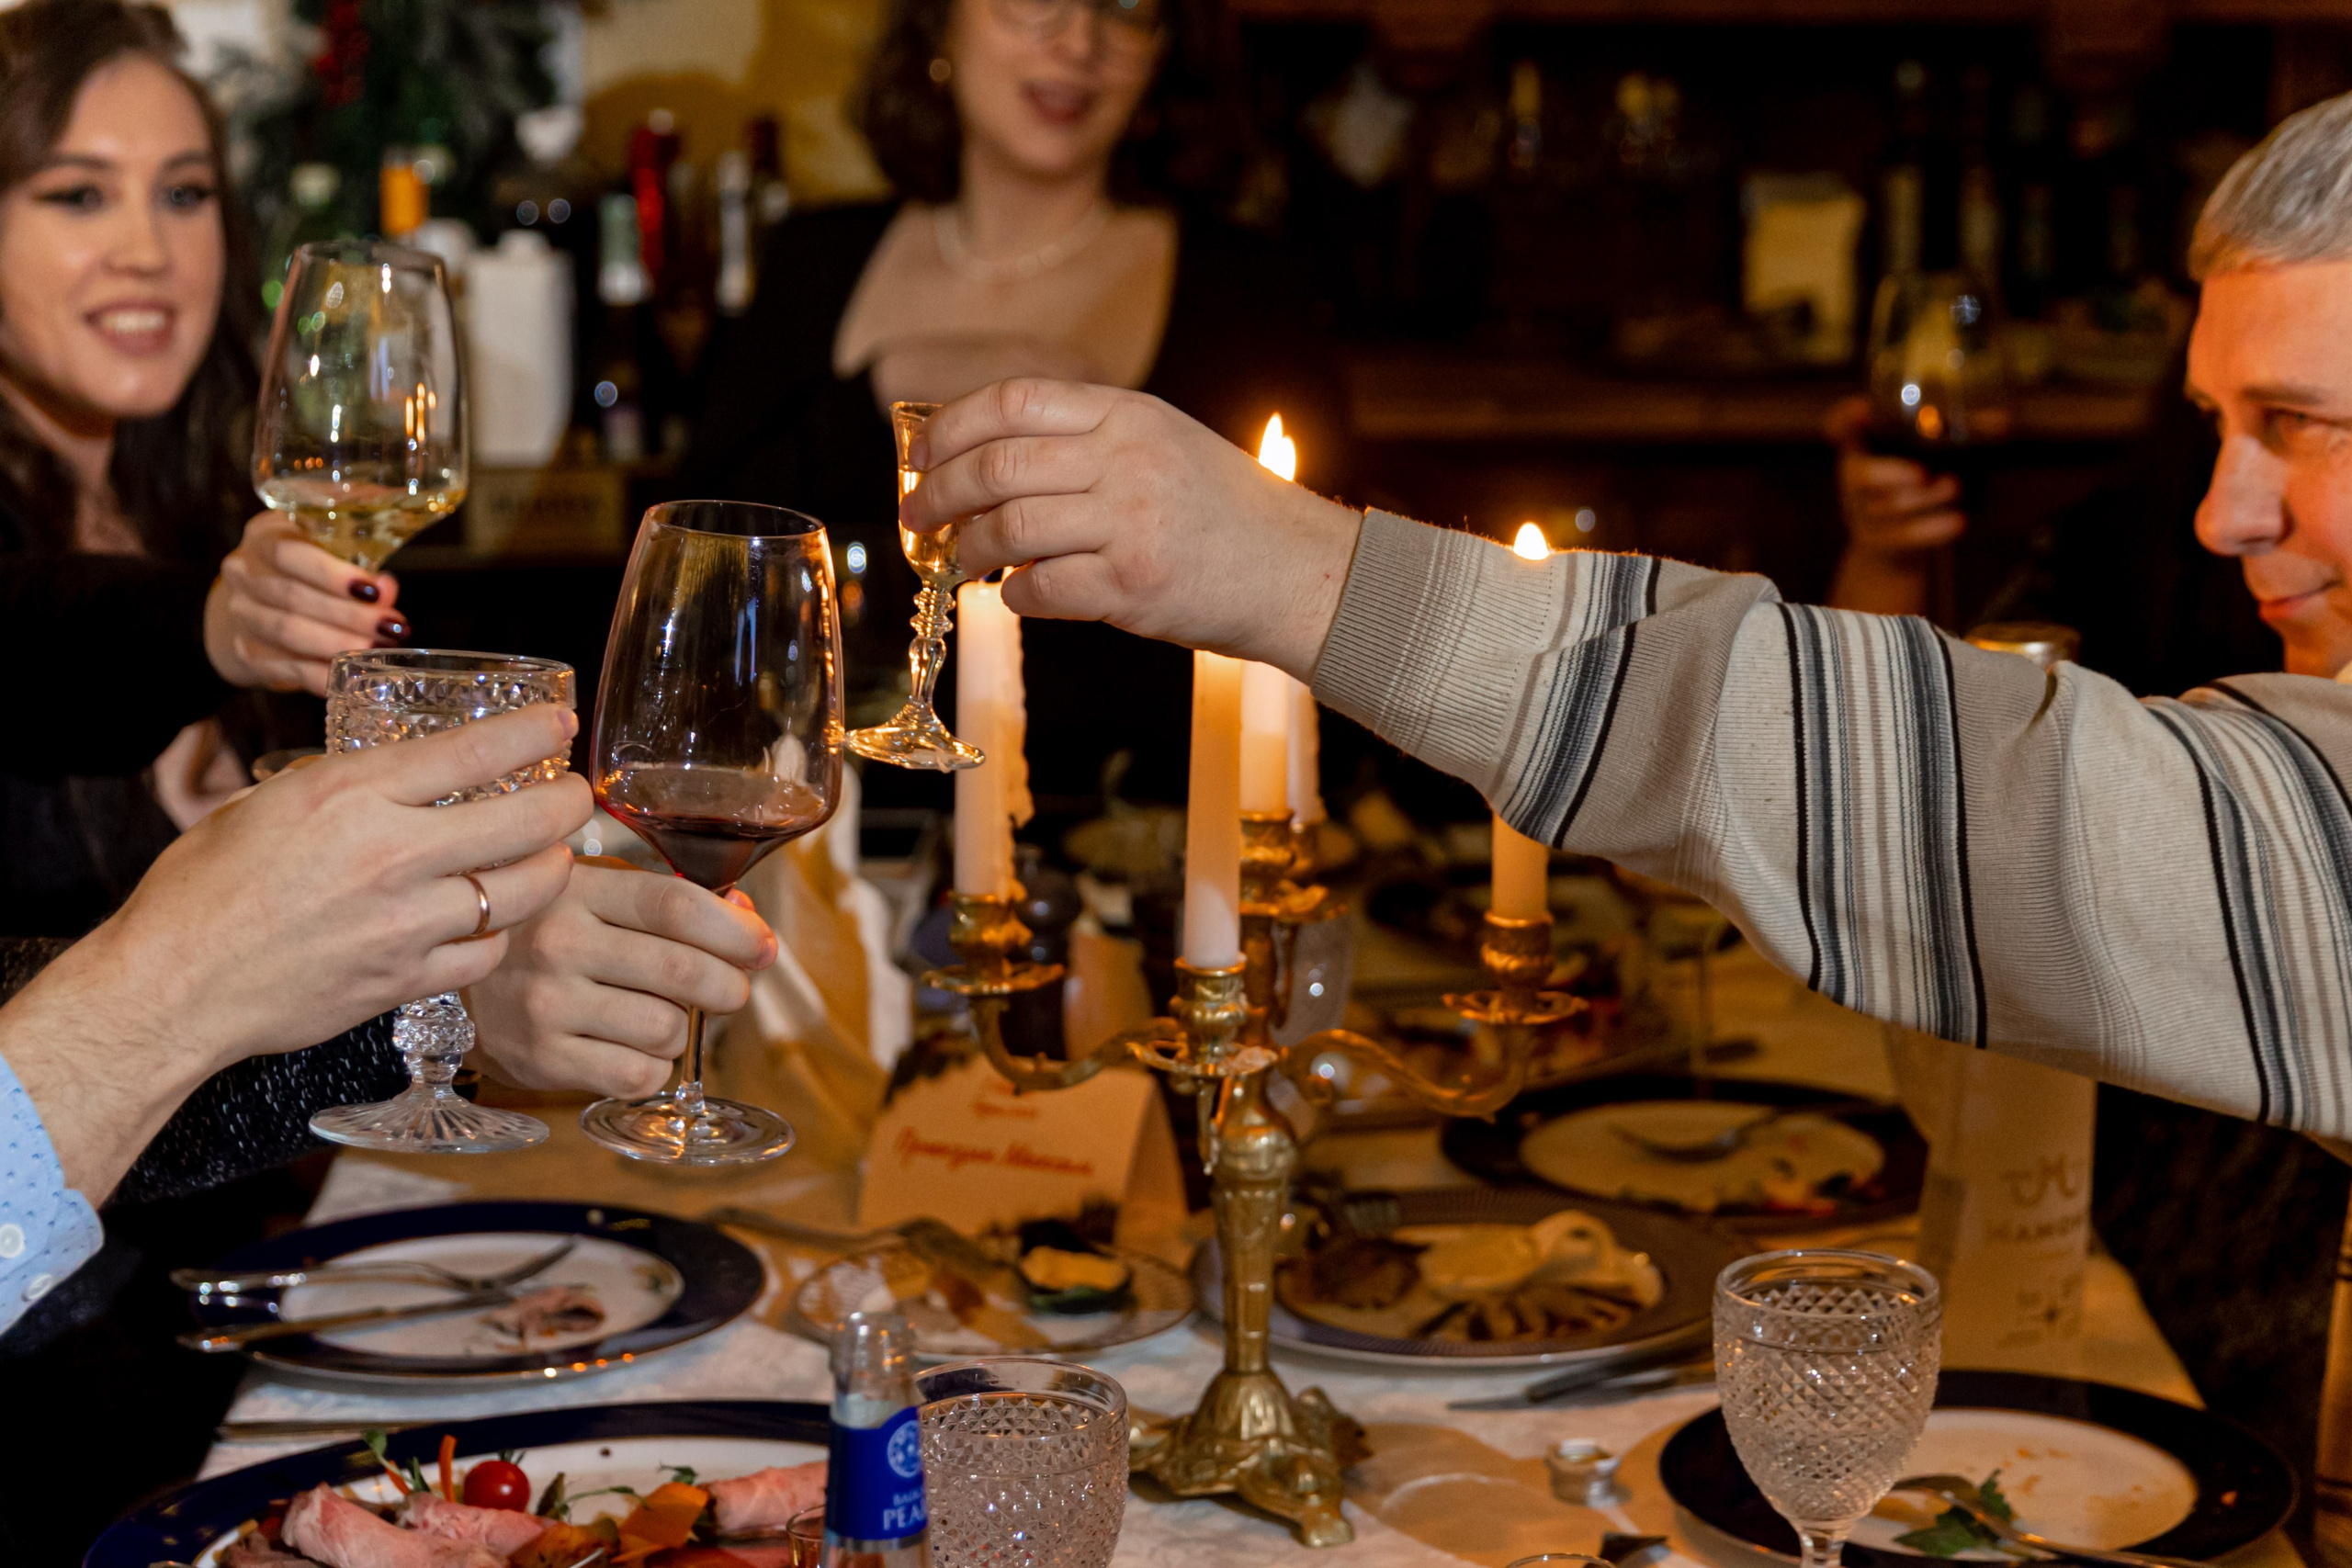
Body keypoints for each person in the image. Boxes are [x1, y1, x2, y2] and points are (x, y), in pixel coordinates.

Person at [684, 0, 1344, 805]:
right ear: (938, 28)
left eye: (1128, 8)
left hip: (1140, 847)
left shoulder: (1252, 292)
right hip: (829, 839)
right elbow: (694, 581)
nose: (1079, 42)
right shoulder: (813, 261)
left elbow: (1319, 599)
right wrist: (884, 380)